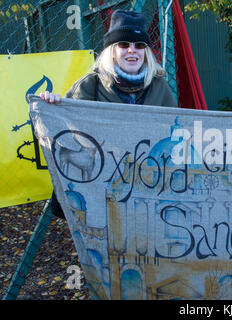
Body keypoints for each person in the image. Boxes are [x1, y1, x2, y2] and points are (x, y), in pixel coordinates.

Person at [40, 9, 178, 218]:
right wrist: (51, 107)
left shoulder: (160, 86)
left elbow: (175, 132)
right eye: (124, 45)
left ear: (146, 51)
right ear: (111, 50)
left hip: (148, 185)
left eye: (139, 45)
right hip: (101, 187)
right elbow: (64, 135)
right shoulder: (90, 85)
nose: (132, 51)